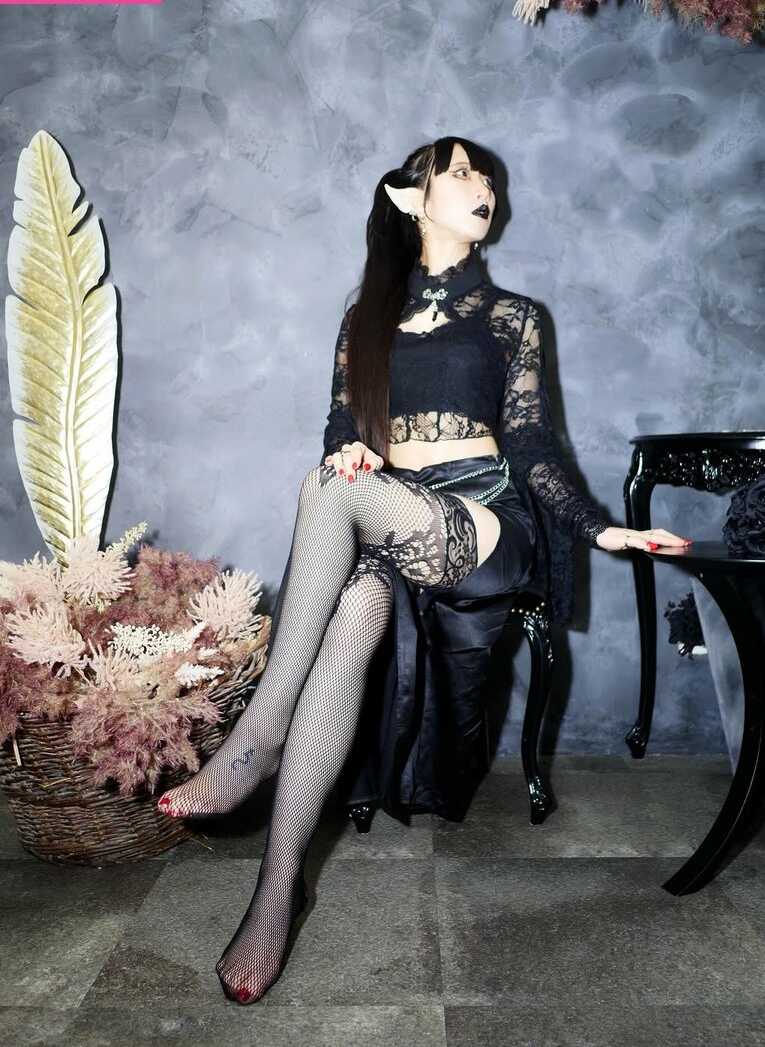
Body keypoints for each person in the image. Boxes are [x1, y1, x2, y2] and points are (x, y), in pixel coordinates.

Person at [156, 136, 689, 1005]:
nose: (484, 186)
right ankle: (277, 893)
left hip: (485, 519)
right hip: (393, 516)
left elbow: (532, 445)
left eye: (488, 176)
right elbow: (341, 429)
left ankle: (256, 736)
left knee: (325, 488)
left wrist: (599, 530)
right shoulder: (365, 317)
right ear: (412, 199)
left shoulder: (514, 316)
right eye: (462, 171)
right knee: (354, 602)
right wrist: (353, 456)